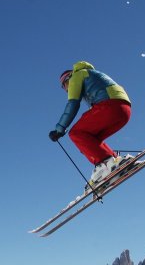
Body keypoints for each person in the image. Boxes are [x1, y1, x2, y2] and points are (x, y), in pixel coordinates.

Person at [49, 61, 133, 189]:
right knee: (90, 139)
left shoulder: (77, 76)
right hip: (124, 111)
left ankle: (105, 165)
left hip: (110, 106)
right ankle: (115, 163)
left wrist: (59, 129)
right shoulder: (89, 74)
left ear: (67, 79)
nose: (65, 89)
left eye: (63, 85)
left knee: (76, 133)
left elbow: (73, 104)